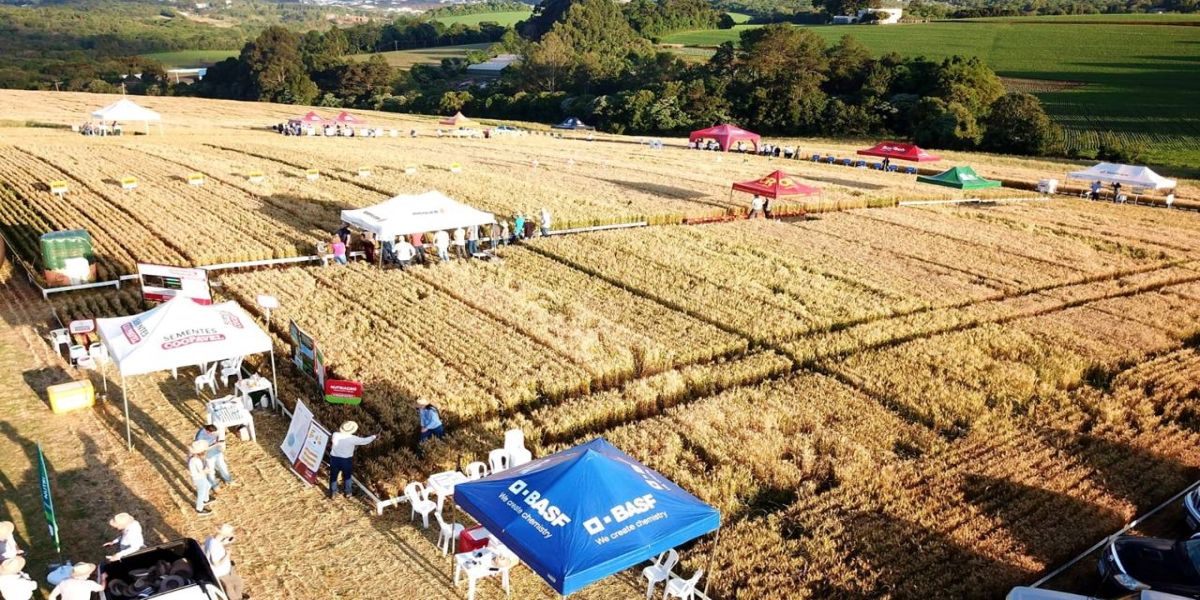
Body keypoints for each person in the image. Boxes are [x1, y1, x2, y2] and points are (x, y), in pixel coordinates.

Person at [328, 421, 376, 499]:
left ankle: (333, 493)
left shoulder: (335, 434)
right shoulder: (353, 438)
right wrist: (374, 436)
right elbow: (364, 441)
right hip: (346, 460)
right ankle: (348, 492)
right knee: (347, 477)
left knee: (333, 476)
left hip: (334, 459)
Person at [204, 524, 248, 600]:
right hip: (220, 572)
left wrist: (225, 543)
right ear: (225, 536)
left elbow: (216, 545)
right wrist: (227, 555)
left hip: (226, 570)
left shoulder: (210, 539)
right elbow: (216, 563)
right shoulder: (214, 547)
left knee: (238, 582)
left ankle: (238, 597)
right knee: (229, 587)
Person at [195, 424, 234, 493]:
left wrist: (219, 446)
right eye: (212, 433)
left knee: (223, 466)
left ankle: (229, 480)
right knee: (211, 471)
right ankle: (215, 486)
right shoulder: (200, 436)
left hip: (217, 452)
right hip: (208, 456)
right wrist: (214, 445)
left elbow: (216, 438)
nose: (214, 434)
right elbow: (202, 449)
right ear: (208, 431)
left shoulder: (213, 431)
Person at [189, 441, 215, 516]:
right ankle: (199, 509)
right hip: (199, 479)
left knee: (208, 485)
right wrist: (208, 470)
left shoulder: (195, 458)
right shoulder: (196, 461)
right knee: (201, 493)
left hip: (200, 477)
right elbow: (201, 471)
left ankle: (206, 499)